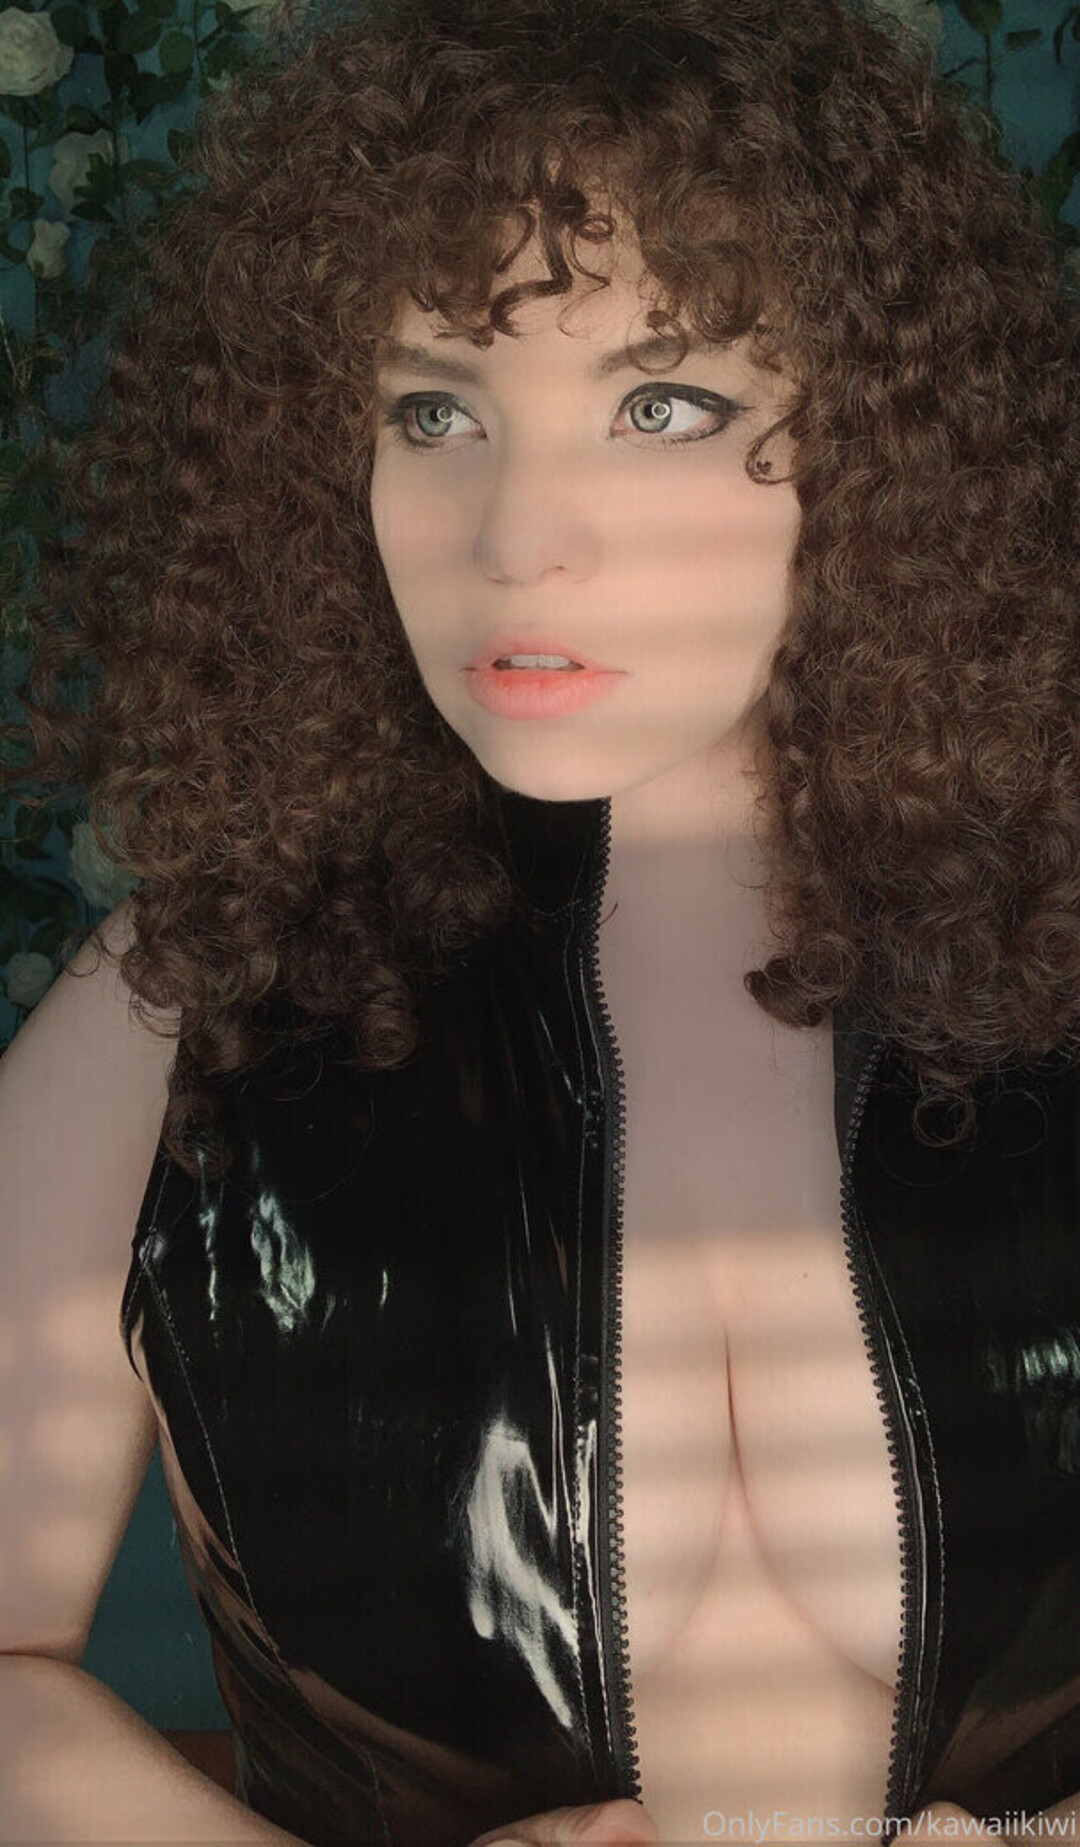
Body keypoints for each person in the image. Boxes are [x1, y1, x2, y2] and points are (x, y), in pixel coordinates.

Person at [2, 0, 1079, 1841]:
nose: (516, 536)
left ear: (886, 448)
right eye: (434, 410)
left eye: (664, 405)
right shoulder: (174, 1014)